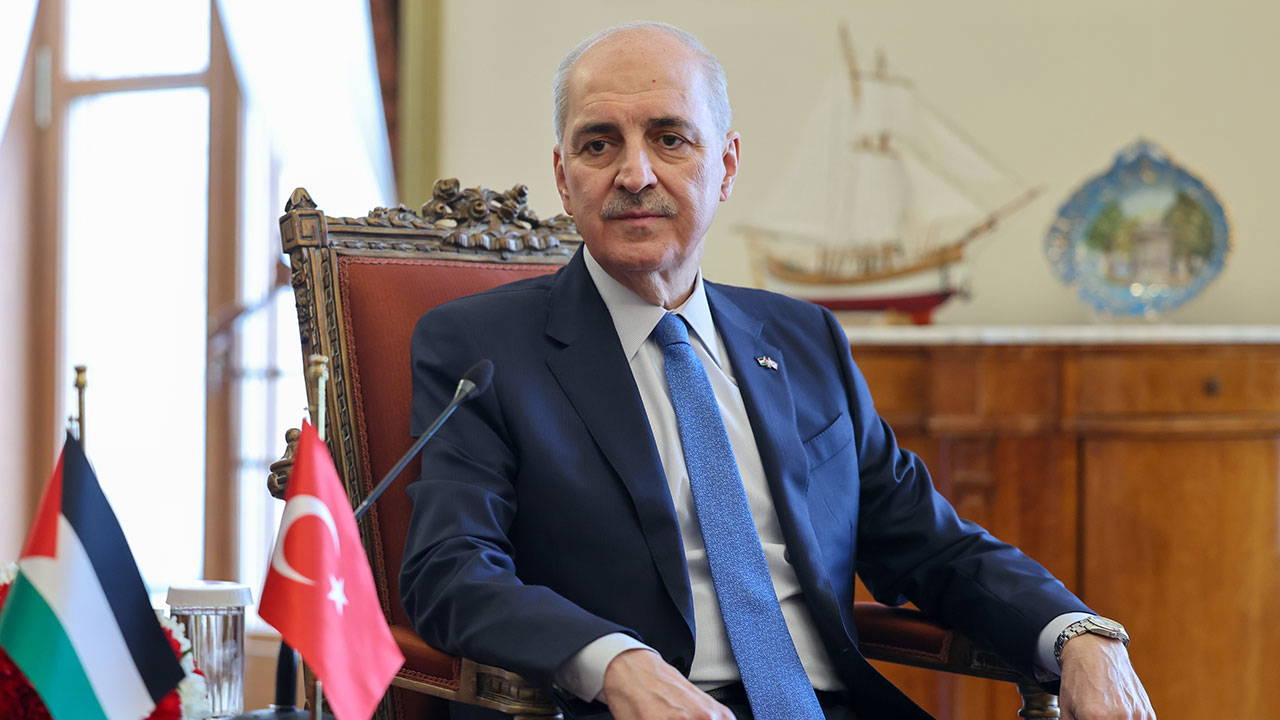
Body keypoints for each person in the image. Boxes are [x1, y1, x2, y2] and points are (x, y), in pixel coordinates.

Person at [400, 21, 1154, 720]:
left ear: (725, 166)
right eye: (599, 144)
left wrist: (1078, 632)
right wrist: (613, 662)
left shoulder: (803, 338)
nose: (634, 173)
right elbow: (451, 568)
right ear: (564, 178)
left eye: (670, 139)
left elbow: (930, 543)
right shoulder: (482, 347)